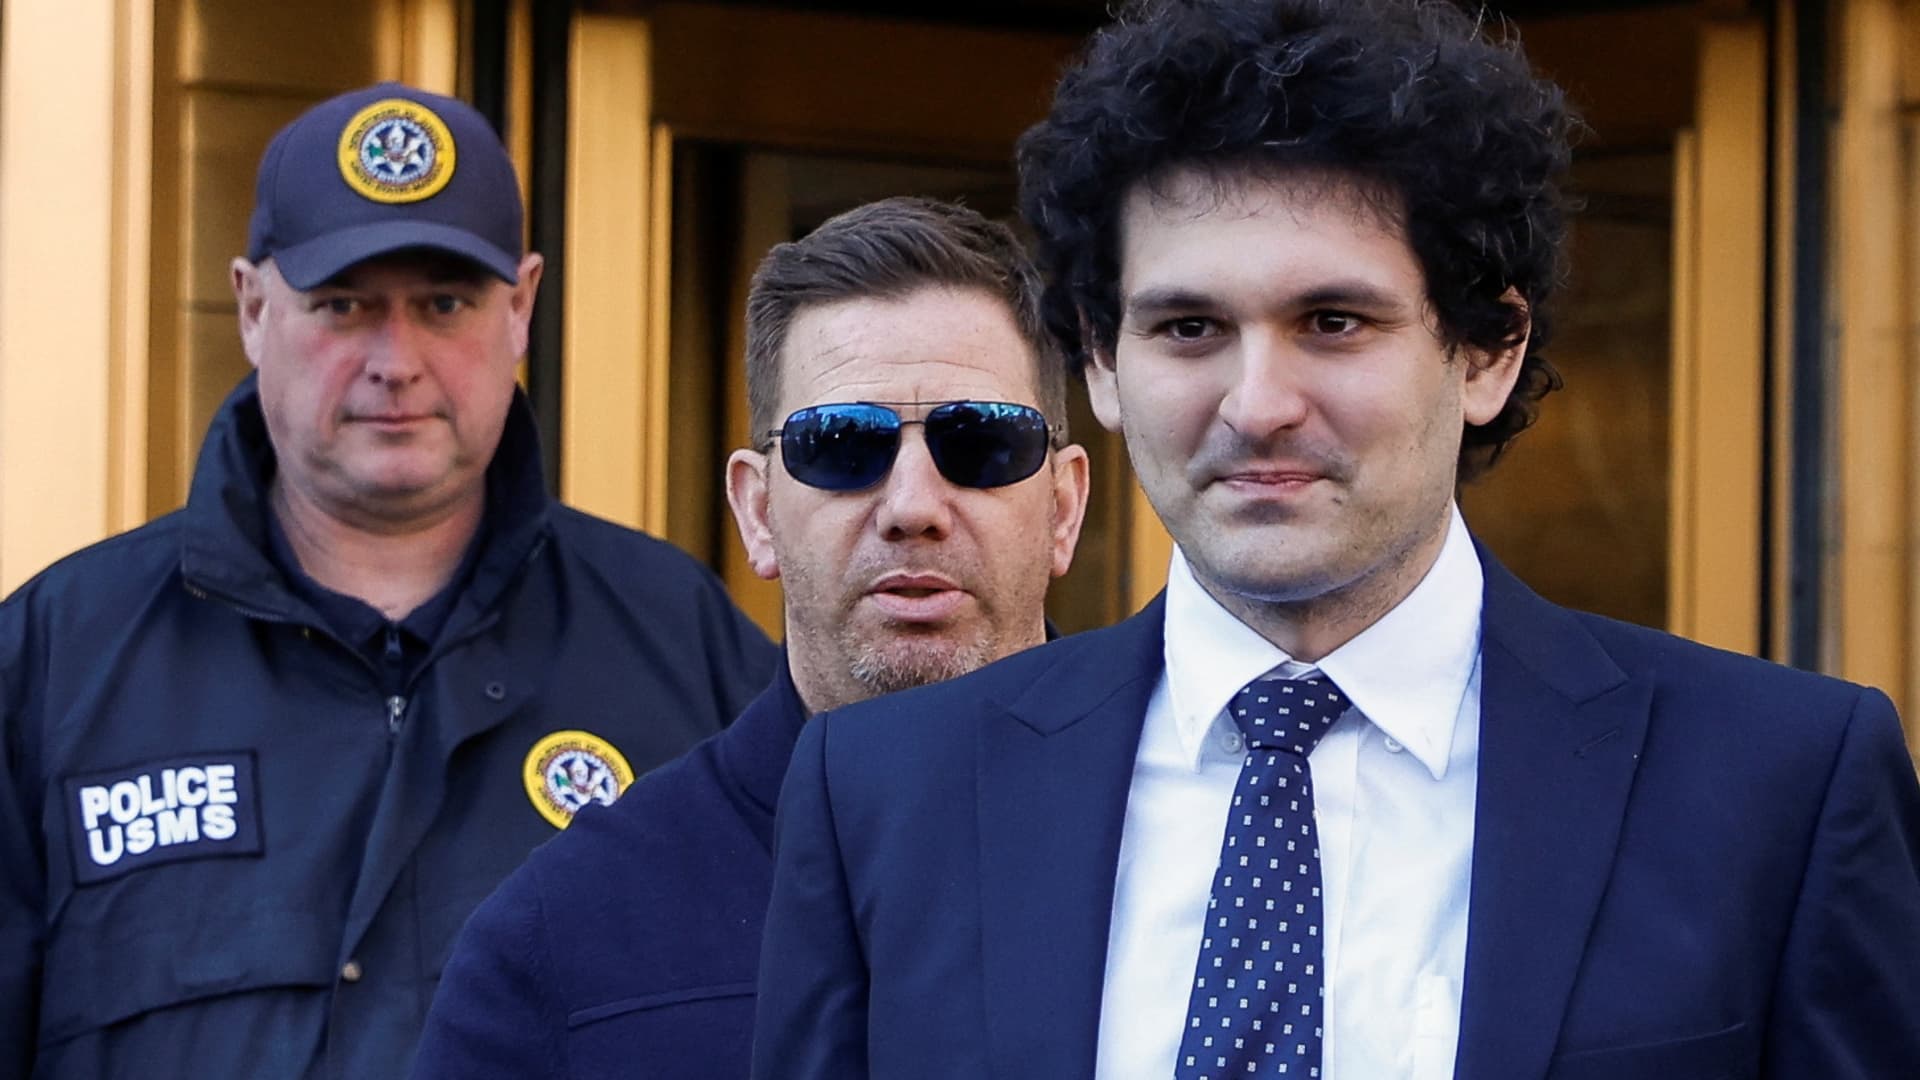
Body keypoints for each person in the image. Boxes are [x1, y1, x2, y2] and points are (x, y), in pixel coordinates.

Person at [751, 3, 1920, 1079]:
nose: (1257, 403)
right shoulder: (886, 796)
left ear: (1487, 350)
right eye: (1189, 327)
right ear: (1100, 361)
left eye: (1333, 321)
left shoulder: (1782, 789)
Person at [0, 82, 779, 1080]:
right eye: (344, 306)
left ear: (521, 307)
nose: (395, 361)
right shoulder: (57, 664)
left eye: (444, 305)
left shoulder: (684, 648)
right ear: (252, 308)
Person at [409, 196, 1091, 1079]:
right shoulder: (567, 933)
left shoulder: (1207, 872)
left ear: (1064, 508)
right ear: (757, 512)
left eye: (981, 442)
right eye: (841, 445)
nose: (913, 506)